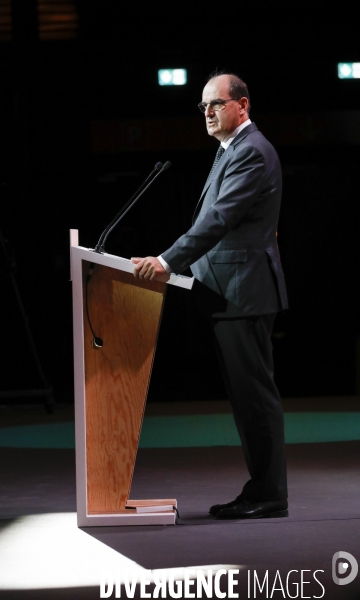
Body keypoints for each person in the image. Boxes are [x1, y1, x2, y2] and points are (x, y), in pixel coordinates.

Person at [132, 71, 289, 520]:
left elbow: (218, 219)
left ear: (243, 105)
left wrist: (165, 261)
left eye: (216, 104)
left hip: (244, 291)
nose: (207, 112)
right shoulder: (230, 151)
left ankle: (269, 494)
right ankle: (261, 488)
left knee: (255, 397)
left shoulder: (252, 153)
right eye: (203, 106)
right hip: (228, 292)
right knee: (246, 399)